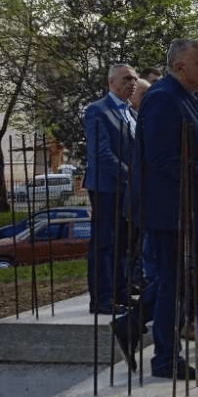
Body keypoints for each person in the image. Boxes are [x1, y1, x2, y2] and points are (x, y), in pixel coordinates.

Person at [112, 39, 198, 379]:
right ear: (179, 66)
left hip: (188, 207)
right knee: (173, 282)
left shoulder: (190, 98)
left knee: (183, 277)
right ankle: (166, 359)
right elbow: (162, 159)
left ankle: (131, 324)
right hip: (167, 209)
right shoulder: (163, 99)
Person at [83, 64, 138, 315]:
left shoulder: (131, 113)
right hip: (106, 187)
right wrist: (132, 175)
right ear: (112, 82)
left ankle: (121, 291)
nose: (133, 83)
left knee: (123, 243)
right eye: (127, 78)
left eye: (135, 79)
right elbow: (102, 153)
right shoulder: (98, 111)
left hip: (127, 188)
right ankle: (102, 298)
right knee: (104, 243)